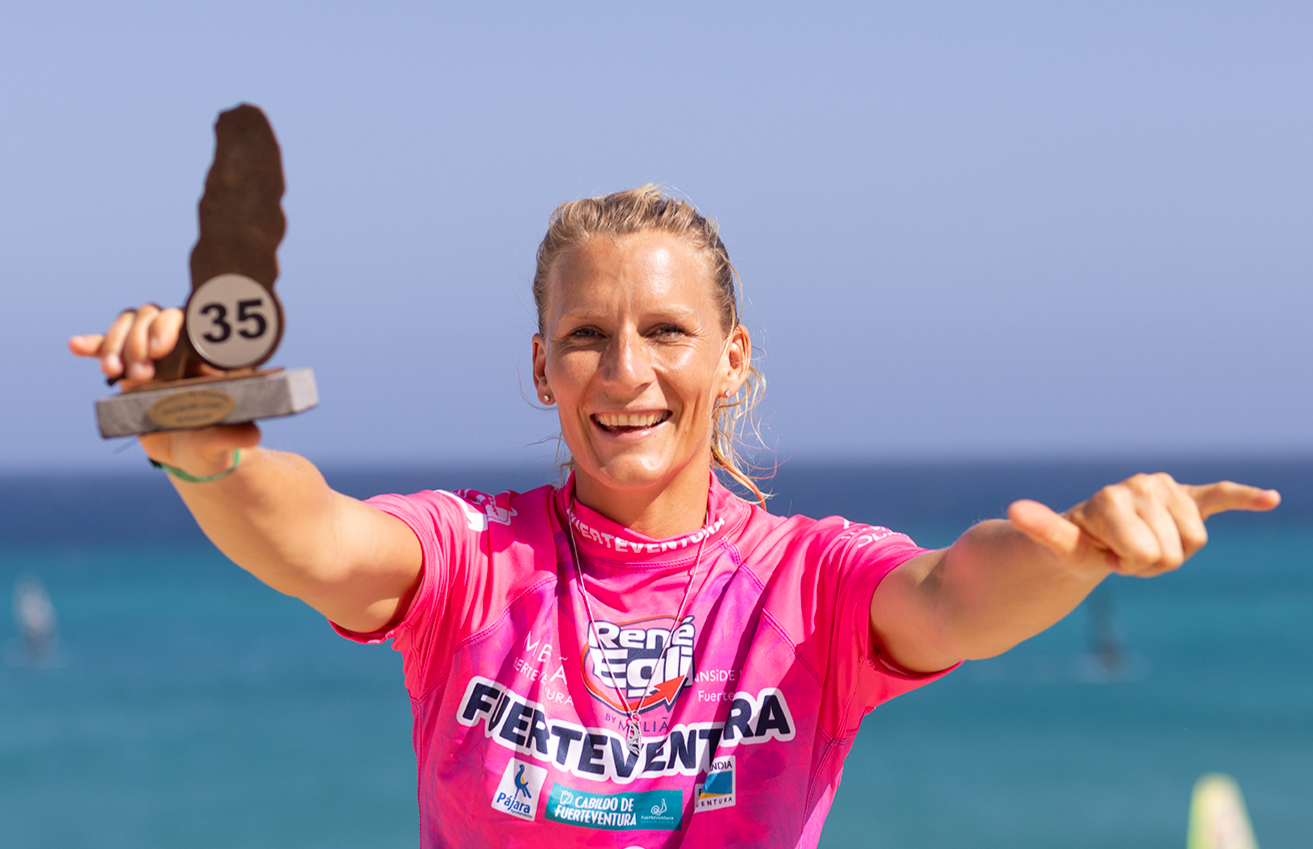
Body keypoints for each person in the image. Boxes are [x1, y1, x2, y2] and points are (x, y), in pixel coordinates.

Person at [70, 186, 1279, 848]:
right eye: (585, 337)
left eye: (665, 332)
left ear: (731, 357)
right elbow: (312, 536)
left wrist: (1082, 549)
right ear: (540, 368)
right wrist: (203, 442)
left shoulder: (806, 581)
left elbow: (959, 592)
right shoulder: (471, 558)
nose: (625, 372)